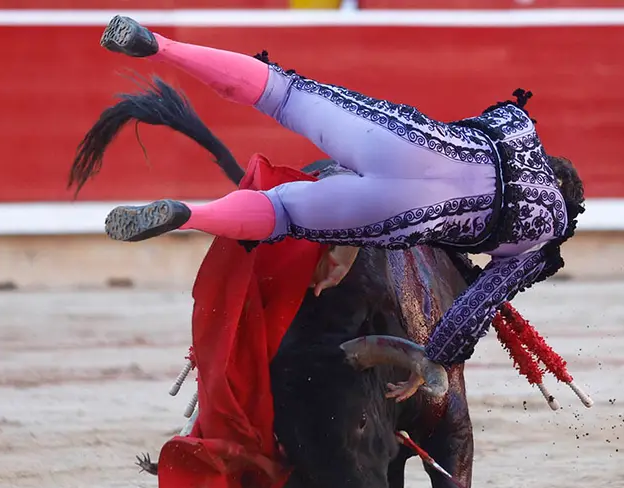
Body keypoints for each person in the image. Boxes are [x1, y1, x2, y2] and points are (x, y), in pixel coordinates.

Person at [98, 15, 585, 400]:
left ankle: (158, 45)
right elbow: (473, 307)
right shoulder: (539, 245)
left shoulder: (519, 126)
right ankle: (190, 214)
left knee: (281, 92)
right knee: (283, 213)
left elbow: (487, 119)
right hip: (403, 211)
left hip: (408, 142)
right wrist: (431, 361)